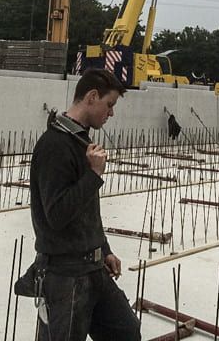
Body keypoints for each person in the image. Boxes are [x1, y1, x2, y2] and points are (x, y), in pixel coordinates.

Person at [29, 68, 141, 341]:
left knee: (126, 332)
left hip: (93, 267)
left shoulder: (80, 140)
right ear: (92, 96)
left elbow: (88, 210)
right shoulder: (55, 145)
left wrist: (103, 248)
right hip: (64, 274)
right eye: (109, 104)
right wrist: (93, 175)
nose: (111, 113)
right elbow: (57, 214)